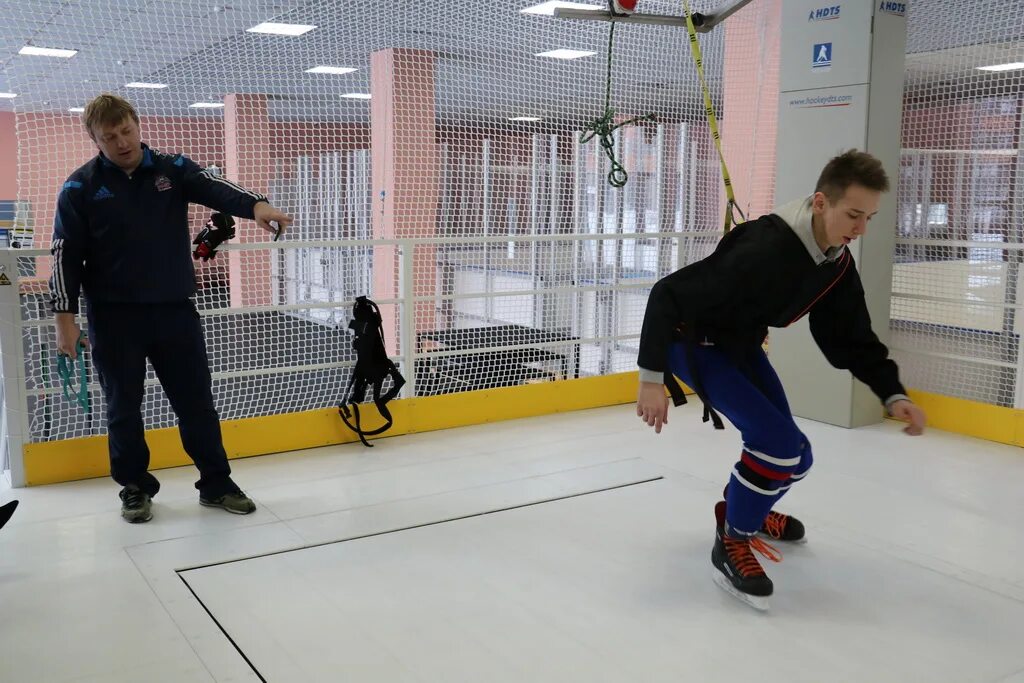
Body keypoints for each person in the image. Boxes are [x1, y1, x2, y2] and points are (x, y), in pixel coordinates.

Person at [635, 149, 927, 610]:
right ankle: (732, 540)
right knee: (776, 448)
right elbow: (667, 292)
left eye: (868, 217)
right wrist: (651, 378)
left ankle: (741, 510)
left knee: (797, 458)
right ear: (819, 202)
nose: (860, 229)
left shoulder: (835, 264)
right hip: (691, 341)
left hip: (739, 344)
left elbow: (851, 337)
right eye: (853, 214)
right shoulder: (763, 247)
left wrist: (892, 392)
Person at [49, 94, 293, 523]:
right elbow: (65, 256)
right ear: (95, 139)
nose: (122, 142)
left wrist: (256, 206)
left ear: (137, 125)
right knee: (123, 407)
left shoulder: (173, 169)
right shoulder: (78, 188)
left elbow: (218, 189)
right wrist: (65, 323)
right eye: (110, 137)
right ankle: (135, 487)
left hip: (174, 312)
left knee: (196, 401)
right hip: (113, 317)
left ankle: (216, 483)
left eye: (126, 131)